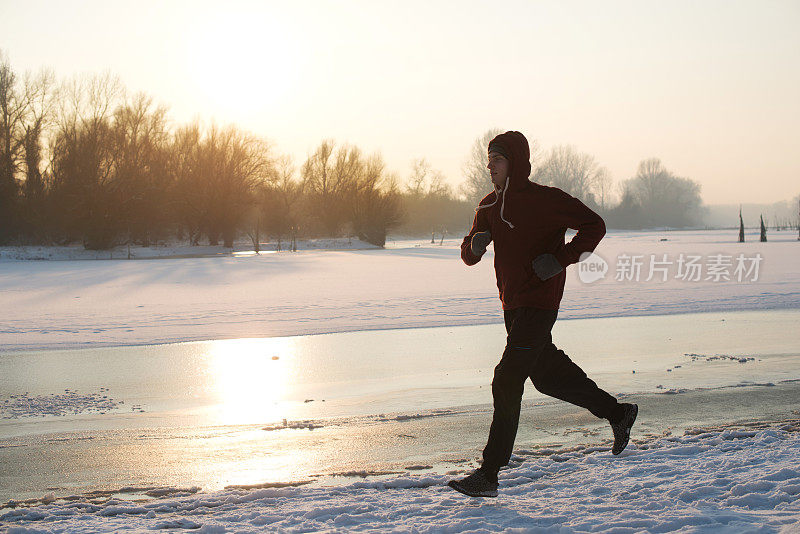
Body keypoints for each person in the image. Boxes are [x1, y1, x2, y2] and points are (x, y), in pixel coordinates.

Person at [448, 131, 637, 498]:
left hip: (540, 303)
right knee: (547, 377)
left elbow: (594, 225)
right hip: (512, 305)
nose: (490, 167)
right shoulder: (488, 207)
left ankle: (489, 474)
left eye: (497, 160)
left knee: (506, 377)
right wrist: (473, 246)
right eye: (488, 161)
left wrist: (562, 258)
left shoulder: (546, 200)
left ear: (515, 162)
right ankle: (618, 414)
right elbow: (468, 254)